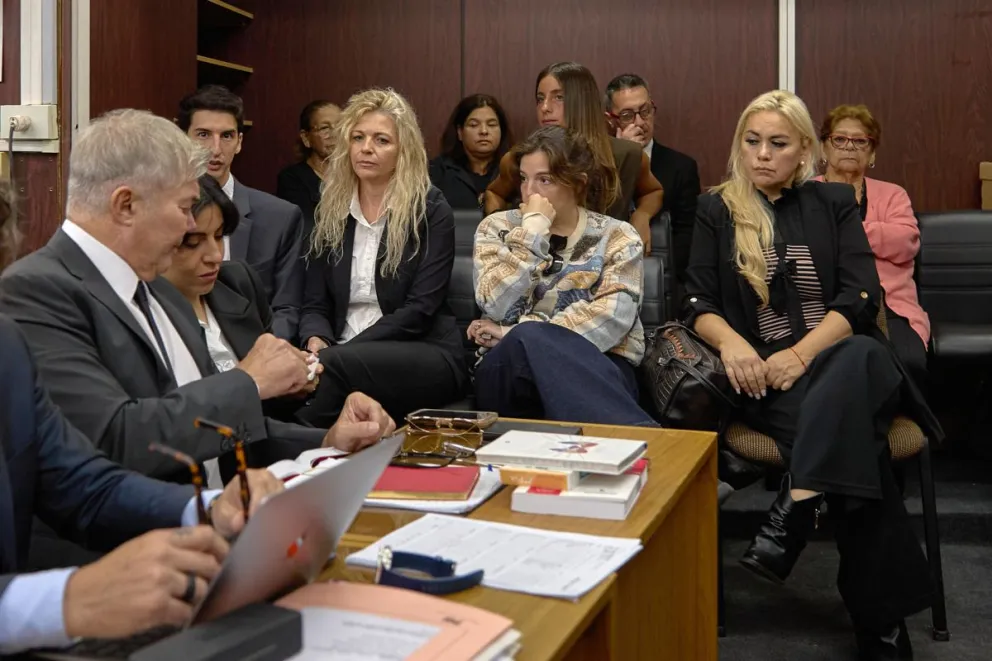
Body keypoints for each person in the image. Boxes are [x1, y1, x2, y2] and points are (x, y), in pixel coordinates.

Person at [0, 109, 395, 486]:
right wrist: (249, 381)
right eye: (185, 209)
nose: (192, 224)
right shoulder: (36, 290)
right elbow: (115, 439)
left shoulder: (159, 291)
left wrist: (326, 442)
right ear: (126, 205)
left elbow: (210, 427)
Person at [683, 90, 938, 658]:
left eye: (777, 143)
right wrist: (735, 348)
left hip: (837, 360)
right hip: (765, 380)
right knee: (858, 445)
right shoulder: (716, 208)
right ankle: (880, 623)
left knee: (862, 355)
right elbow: (696, 300)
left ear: (803, 150)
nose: (762, 155)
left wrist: (800, 354)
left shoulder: (832, 203)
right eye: (752, 142)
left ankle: (796, 503)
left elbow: (859, 298)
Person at [0, 179, 286, 655]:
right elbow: (120, 434)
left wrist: (210, 508)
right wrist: (66, 599)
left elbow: (82, 484)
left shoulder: (6, 346)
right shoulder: (39, 297)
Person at [299, 89, 467, 425]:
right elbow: (315, 303)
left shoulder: (430, 209)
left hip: (423, 350)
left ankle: (297, 442)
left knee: (327, 374)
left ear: (403, 150)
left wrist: (338, 354)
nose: (366, 148)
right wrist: (316, 340)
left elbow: (418, 312)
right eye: (358, 137)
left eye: (381, 140)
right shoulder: (331, 209)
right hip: (338, 351)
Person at [472, 126, 655, 427]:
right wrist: (530, 236)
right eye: (523, 178)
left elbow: (612, 320)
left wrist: (515, 332)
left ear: (577, 184)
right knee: (520, 347)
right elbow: (496, 305)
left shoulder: (618, 236)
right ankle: (654, 449)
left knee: (526, 337)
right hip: (508, 371)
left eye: (544, 180)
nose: (529, 192)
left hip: (599, 363)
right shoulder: (497, 229)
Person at [161, 174, 316, 423]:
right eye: (193, 243)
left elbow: (269, 415)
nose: (215, 255)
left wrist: (292, 381)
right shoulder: (145, 310)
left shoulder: (237, 281)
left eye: (219, 236)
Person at [483, 62, 664, 251]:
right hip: (537, 262)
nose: (545, 107)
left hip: (605, 265)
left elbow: (653, 192)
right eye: (540, 98)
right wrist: (502, 229)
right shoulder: (521, 158)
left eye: (558, 97)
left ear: (582, 102)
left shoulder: (626, 154)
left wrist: (642, 216)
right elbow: (494, 193)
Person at [178, 85, 305, 343]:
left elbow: (287, 308)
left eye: (226, 136)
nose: (215, 149)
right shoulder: (161, 214)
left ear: (239, 142)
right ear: (183, 138)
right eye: (203, 134)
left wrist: (262, 356)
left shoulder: (280, 217)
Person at [815, 104, 929, 391]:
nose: (849, 147)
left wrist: (845, 232)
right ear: (823, 148)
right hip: (823, 307)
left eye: (860, 141)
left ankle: (900, 427)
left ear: (872, 152)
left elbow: (906, 242)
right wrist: (876, 236)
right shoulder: (806, 194)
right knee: (827, 366)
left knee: (908, 361)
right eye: (839, 139)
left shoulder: (892, 195)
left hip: (889, 307)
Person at [604, 73, 701, 284]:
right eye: (628, 115)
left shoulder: (681, 167)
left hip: (662, 279)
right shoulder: (600, 165)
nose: (640, 122)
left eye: (645, 111)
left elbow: (688, 241)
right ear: (611, 120)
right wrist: (624, 156)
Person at [429, 94, 511, 210]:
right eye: (474, 125)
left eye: (491, 124)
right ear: (460, 132)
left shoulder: (515, 170)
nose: (484, 131)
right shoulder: (436, 171)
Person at [277, 100, 342, 238]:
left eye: (340, 126)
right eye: (325, 128)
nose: (335, 134)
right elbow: (305, 230)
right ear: (306, 138)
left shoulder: (356, 176)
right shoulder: (292, 179)